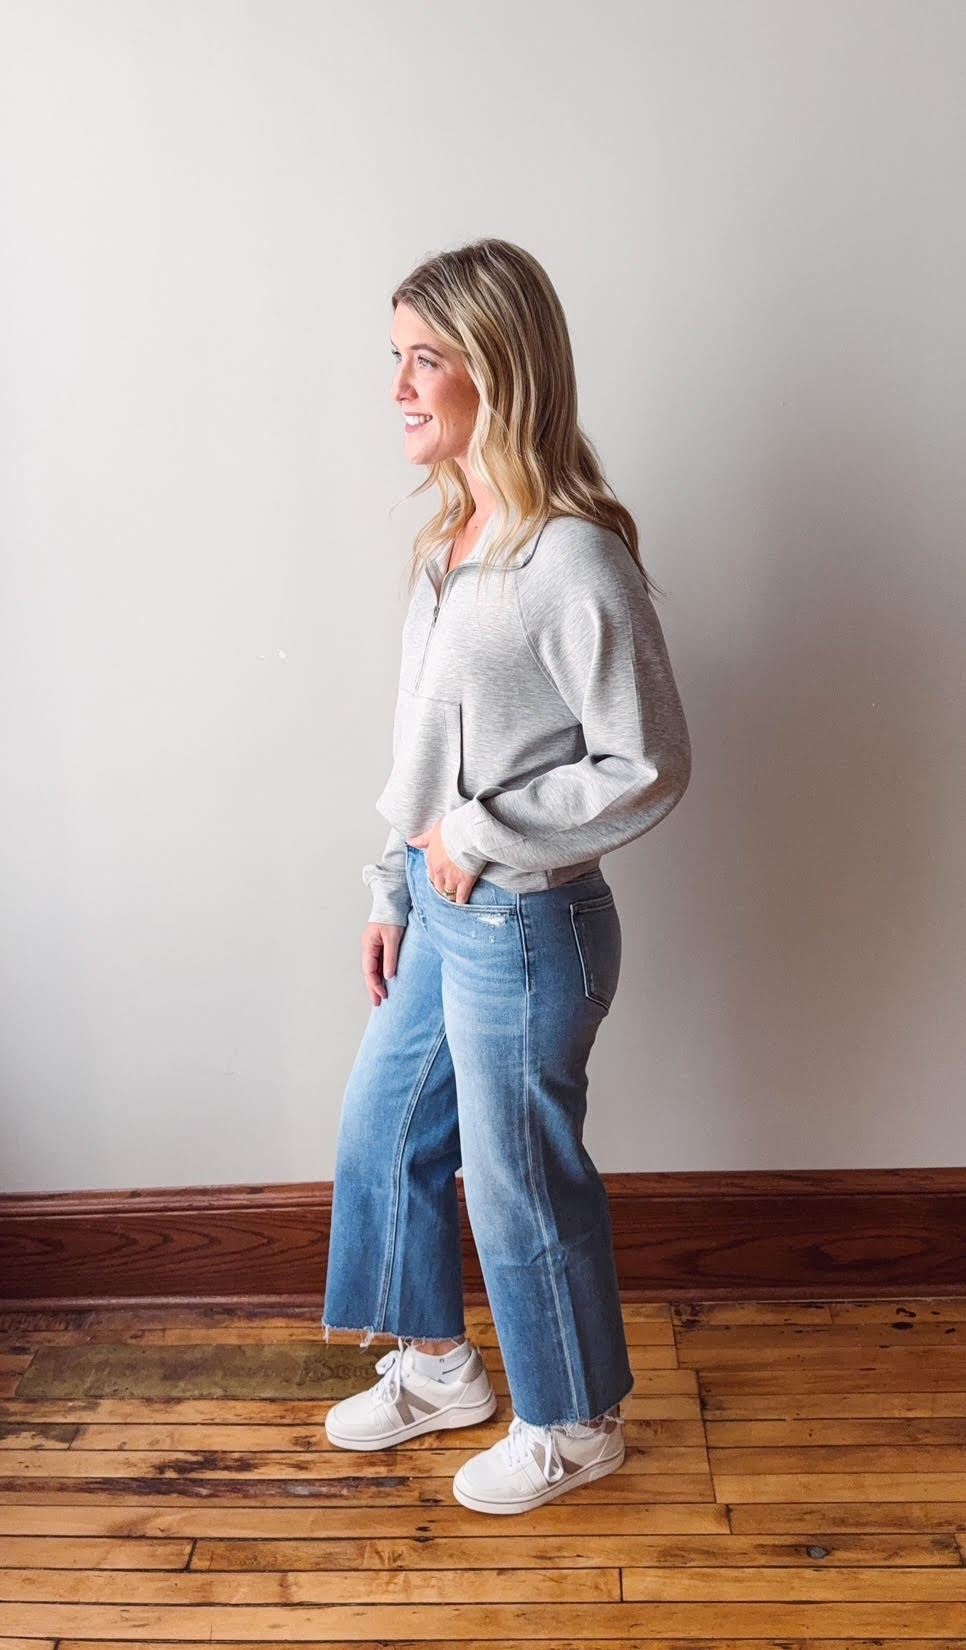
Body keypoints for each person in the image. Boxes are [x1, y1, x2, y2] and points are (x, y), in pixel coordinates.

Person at [322, 238, 690, 1515]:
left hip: (529, 924)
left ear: (502, 371)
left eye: (428, 359)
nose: (400, 388)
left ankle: (577, 1424)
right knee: (385, 1131)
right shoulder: (452, 542)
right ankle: (436, 1367)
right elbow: (421, 747)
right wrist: (392, 882)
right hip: (438, 909)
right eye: (397, 358)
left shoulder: (572, 557)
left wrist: (476, 838)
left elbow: (648, 762)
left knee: (522, 1173)